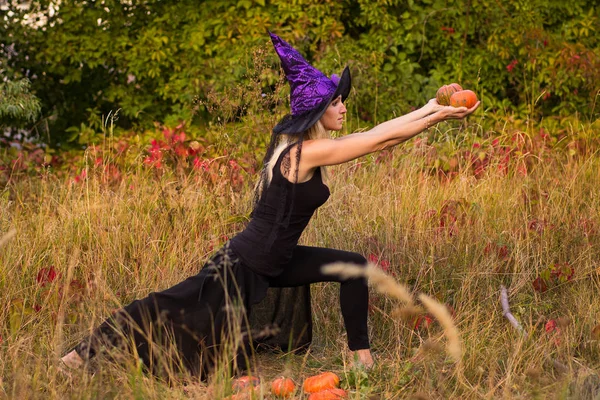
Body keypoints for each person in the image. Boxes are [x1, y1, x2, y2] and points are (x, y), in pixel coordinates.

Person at [60, 32, 479, 378]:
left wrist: (431, 107)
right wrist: (439, 117)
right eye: (335, 102)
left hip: (276, 260)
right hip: (244, 263)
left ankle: (361, 360)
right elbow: (376, 142)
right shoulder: (302, 153)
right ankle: (79, 355)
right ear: (317, 109)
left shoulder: (312, 147)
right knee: (163, 307)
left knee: (355, 267)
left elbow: (378, 132)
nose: (343, 107)